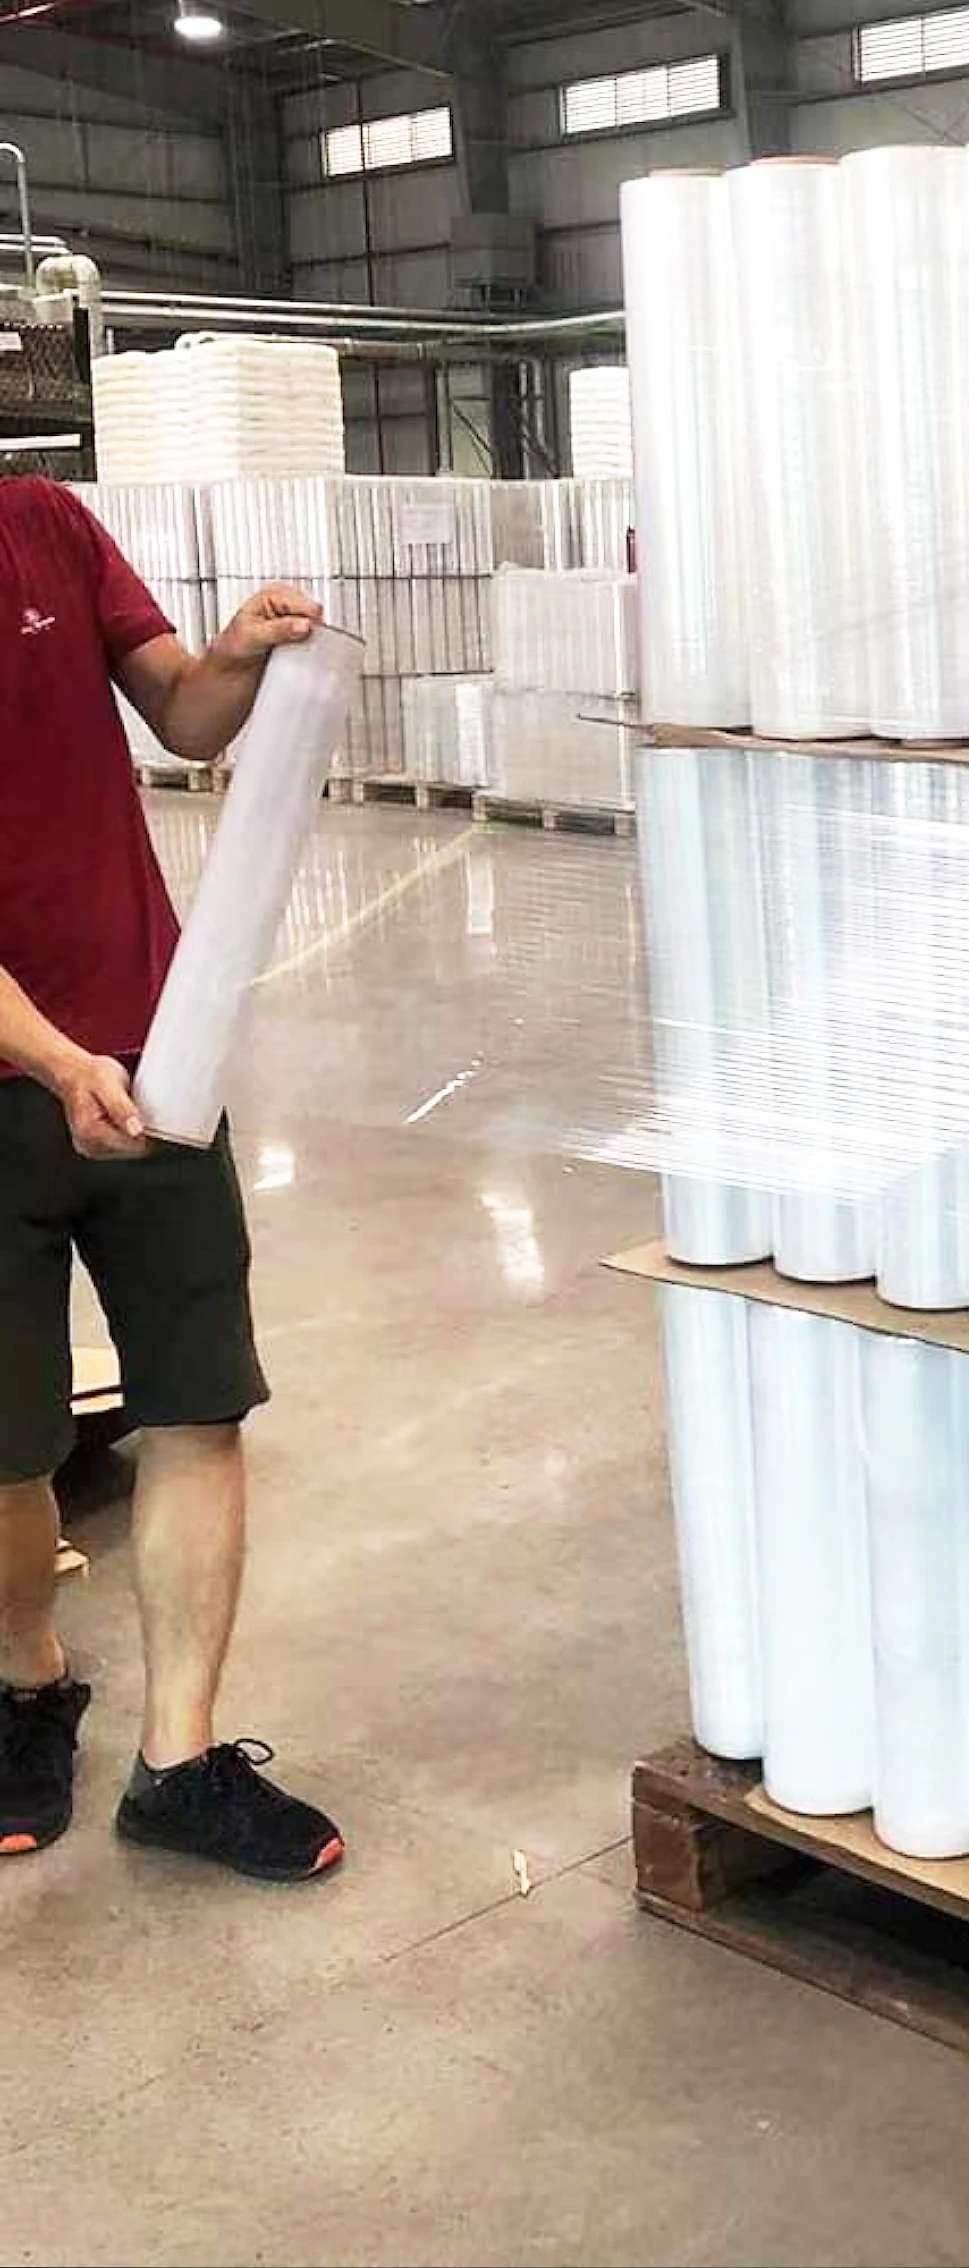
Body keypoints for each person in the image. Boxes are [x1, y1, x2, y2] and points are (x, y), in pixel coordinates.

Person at [0, 475, 343, 1881]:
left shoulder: (47, 524)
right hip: (19, 1079)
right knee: (8, 1450)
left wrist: (236, 655)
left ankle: (181, 1764)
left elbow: (187, 718)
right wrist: (52, 1059)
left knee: (199, 1404)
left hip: (159, 1058)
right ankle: (28, 1685)